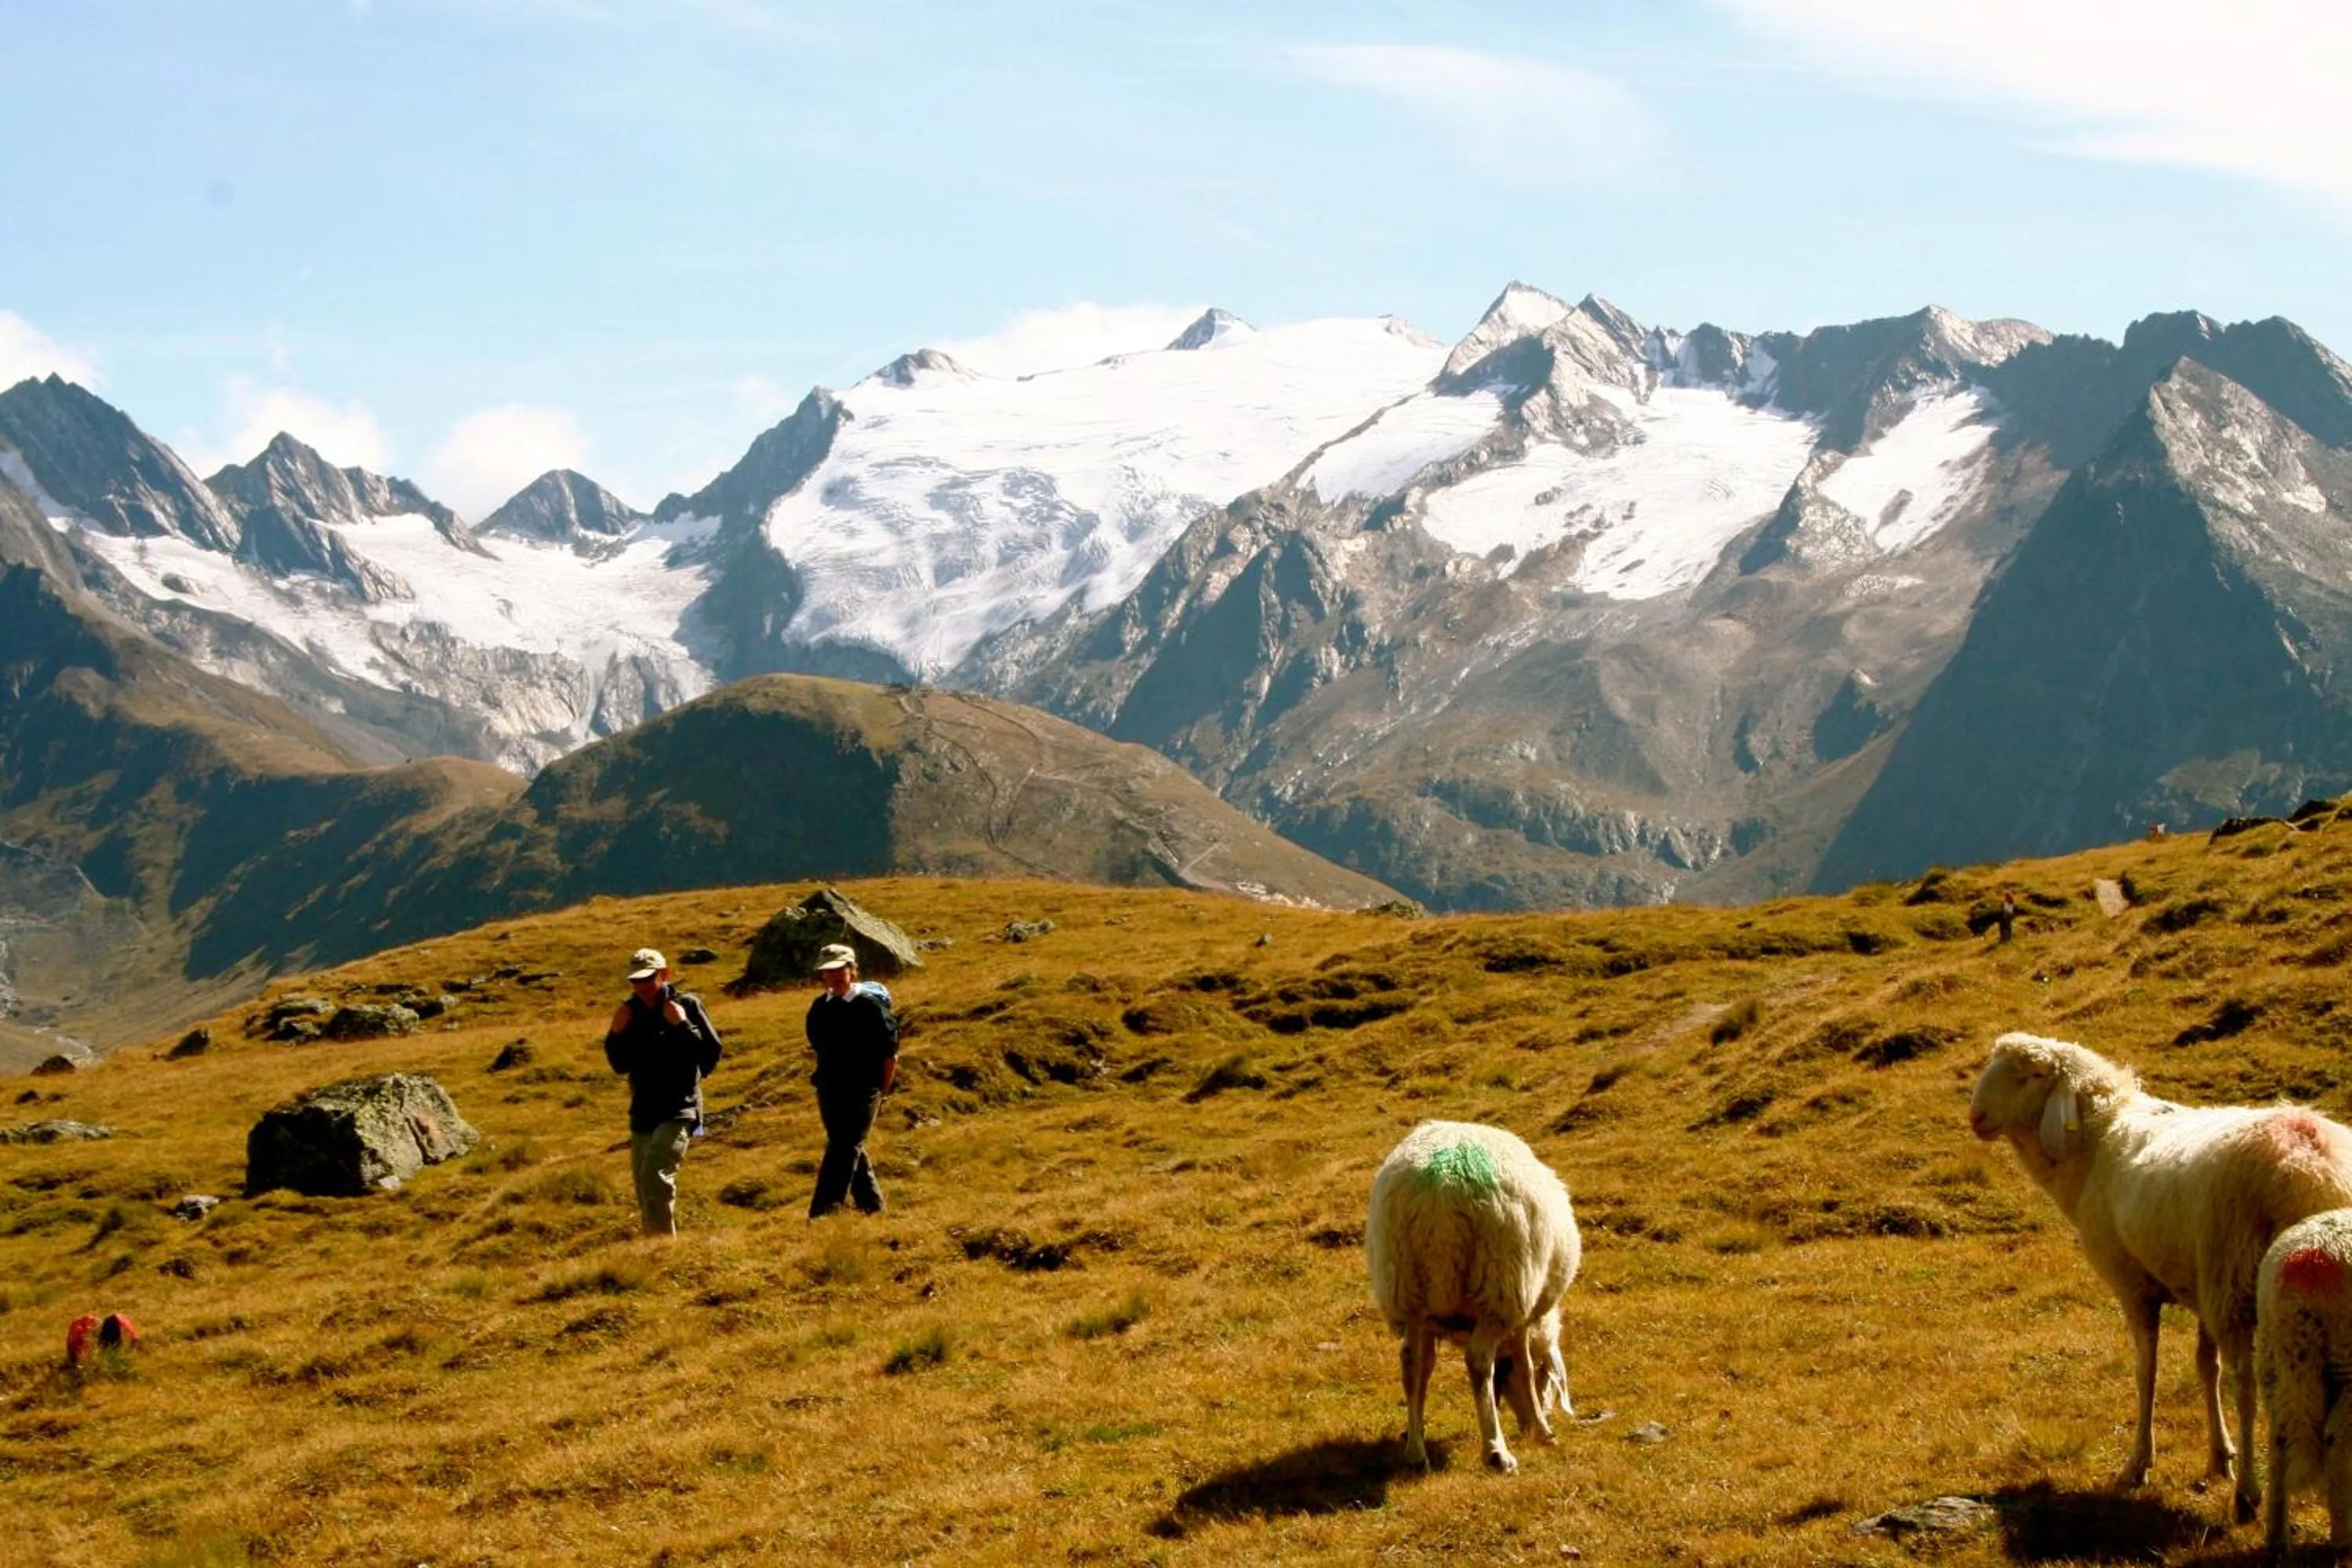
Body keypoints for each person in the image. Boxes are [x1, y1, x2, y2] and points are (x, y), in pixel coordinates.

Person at [602, 946, 722, 1236]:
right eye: (635, 980)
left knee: (655, 1174)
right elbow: (620, 1065)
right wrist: (615, 1035)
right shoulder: (628, 1012)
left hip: (679, 1108)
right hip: (643, 1110)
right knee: (643, 1186)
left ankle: (663, 1247)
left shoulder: (687, 1005)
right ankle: (654, 1245)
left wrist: (681, 1025)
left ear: (664, 975)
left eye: (647, 978)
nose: (641, 986)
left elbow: (709, 1052)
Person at [804, 942, 898, 1218]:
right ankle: (873, 1207)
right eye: (827, 971)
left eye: (839, 969)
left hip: (864, 1089)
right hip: (830, 1088)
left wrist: (883, 1090)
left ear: (851, 969)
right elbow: (818, 1047)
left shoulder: (869, 1006)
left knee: (844, 1147)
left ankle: (823, 1212)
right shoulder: (819, 1008)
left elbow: (890, 1054)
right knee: (846, 1144)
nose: (833, 976)